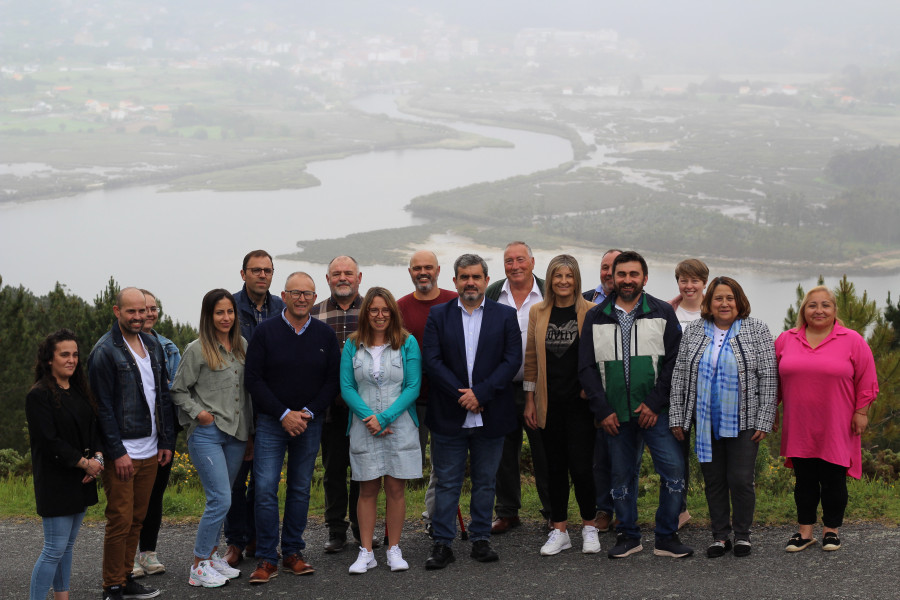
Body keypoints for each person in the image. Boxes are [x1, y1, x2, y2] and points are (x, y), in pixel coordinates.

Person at [578, 251, 693, 559]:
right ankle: (628, 536)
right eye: (622, 274)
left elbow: (674, 362)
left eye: (633, 274)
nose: (627, 280)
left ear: (645, 277)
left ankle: (666, 536)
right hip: (615, 413)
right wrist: (603, 411)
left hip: (655, 412)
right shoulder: (595, 315)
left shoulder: (662, 312)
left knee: (673, 473)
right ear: (612, 278)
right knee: (621, 477)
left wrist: (655, 404)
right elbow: (586, 368)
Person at [422, 254, 522, 569]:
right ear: (454, 281)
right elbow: (432, 360)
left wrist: (482, 393)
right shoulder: (438, 315)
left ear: (485, 280)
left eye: (476, 277)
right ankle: (442, 544)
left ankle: (480, 540)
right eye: (464, 277)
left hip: (491, 412)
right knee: (447, 482)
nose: (470, 282)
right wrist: (461, 395)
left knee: (485, 481)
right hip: (449, 413)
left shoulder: (504, 315)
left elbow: (512, 360)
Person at [670, 276, 777, 558]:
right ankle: (720, 537)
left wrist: (765, 419)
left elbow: (768, 376)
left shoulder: (757, 330)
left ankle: (742, 536)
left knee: (741, 480)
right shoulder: (694, 331)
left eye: (730, 298)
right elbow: (680, 375)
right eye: (718, 298)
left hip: (745, 421)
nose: (724, 303)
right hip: (704, 421)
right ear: (709, 302)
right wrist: (677, 416)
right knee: (714, 481)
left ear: (739, 301)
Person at [245, 271, 341, 584]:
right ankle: (266, 558)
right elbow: (254, 380)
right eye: (295, 293)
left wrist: (308, 413)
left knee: (300, 489)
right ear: (283, 297)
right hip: (272, 423)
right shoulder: (265, 331)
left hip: (309, 424)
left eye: (307, 294)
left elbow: (332, 381)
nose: (301, 299)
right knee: (264, 489)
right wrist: (284, 413)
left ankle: (293, 553)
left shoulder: (325, 335)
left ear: (315, 299)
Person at [776, 285, 878, 552]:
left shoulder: (852, 340)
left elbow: (867, 379)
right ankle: (804, 532)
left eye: (825, 305)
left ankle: (831, 531)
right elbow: (773, 381)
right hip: (799, 424)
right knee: (804, 481)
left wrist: (861, 411)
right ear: (804, 310)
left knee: (834, 480)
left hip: (837, 425)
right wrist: (770, 412)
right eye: (812, 305)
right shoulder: (787, 339)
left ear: (834, 310)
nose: (818, 310)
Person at [89, 287, 175, 600]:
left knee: (138, 518)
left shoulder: (152, 343)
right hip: (123, 452)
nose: (139, 317)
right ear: (117, 311)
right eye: (131, 312)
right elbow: (102, 407)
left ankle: (126, 579)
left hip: (152, 450)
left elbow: (162, 396)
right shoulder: (105, 350)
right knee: (120, 520)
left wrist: (165, 440)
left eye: (143, 311)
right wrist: (117, 452)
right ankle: (112, 586)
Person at [170, 289, 252, 587]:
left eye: (230, 312)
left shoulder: (242, 345)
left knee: (225, 499)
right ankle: (198, 565)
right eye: (220, 312)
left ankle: (213, 555)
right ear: (209, 315)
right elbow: (178, 390)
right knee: (220, 499)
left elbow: (246, 393)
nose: (226, 318)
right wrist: (199, 414)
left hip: (238, 434)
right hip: (207, 433)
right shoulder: (197, 348)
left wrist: (251, 433)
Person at [340, 287, 422, 574]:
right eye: (373, 310)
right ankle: (366, 552)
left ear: (393, 312)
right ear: (366, 313)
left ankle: (394, 549)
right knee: (367, 488)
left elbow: (413, 386)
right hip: (364, 427)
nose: (379, 315)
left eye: (385, 310)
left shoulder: (407, 343)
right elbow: (347, 387)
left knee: (396, 489)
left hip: (399, 424)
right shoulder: (353, 344)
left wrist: (384, 418)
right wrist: (370, 418)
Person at [522, 255, 599, 555]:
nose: (563, 281)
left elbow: (600, 356)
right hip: (548, 402)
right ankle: (560, 531)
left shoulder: (591, 312)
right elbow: (531, 359)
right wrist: (529, 399)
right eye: (557, 276)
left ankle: (590, 528)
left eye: (569, 276)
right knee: (554, 468)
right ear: (550, 279)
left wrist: (591, 388)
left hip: (580, 406)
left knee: (581, 468)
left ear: (576, 279)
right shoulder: (538, 312)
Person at [27, 329, 104, 600]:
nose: (71, 360)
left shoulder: (80, 391)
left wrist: (97, 460)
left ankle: (62, 597)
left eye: (75, 354)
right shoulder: (39, 395)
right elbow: (49, 441)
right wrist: (85, 464)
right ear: (49, 359)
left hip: (82, 478)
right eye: (64, 355)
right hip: (56, 481)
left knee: (67, 547)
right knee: (53, 549)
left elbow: (94, 430)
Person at [223, 250, 285, 568]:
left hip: (272, 407)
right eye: (256, 270)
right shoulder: (229, 307)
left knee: (264, 482)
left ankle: (258, 538)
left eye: (267, 270)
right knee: (236, 480)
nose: (262, 275)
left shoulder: (282, 308)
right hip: (237, 406)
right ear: (243, 273)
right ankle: (235, 541)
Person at [484, 241, 552, 533]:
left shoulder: (549, 290)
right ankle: (507, 511)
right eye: (509, 261)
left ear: (533, 262)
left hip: (540, 388)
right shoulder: (493, 293)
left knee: (545, 452)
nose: (515, 266)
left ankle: (553, 511)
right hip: (501, 386)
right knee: (503, 452)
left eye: (520, 260)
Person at [396, 250, 458, 534]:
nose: (423, 272)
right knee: (408, 462)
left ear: (438, 270)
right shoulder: (400, 307)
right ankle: (397, 522)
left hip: (447, 398)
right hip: (411, 400)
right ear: (410, 272)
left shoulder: (453, 301)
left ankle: (436, 517)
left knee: (443, 465)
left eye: (428, 267)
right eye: (417, 268)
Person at [310, 255, 365, 553]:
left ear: (359, 277)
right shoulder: (315, 313)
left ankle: (361, 528)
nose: (342, 278)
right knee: (333, 471)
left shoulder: (374, 310)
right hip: (329, 408)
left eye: (348, 273)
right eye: (336, 274)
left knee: (363, 470)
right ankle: (336, 530)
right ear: (328, 278)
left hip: (366, 408)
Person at [133, 289, 182, 579]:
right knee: (131, 498)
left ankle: (148, 552)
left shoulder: (168, 348)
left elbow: (173, 391)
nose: (149, 313)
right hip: (134, 434)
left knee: (155, 495)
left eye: (153, 308)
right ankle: (128, 555)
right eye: (143, 308)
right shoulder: (119, 345)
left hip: (163, 432)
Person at [582, 248, 627, 534]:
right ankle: (603, 509)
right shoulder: (585, 300)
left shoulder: (636, 301)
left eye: (616, 267)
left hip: (626, 393)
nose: (609, 273)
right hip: (594, 392)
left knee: (625, 457)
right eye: (604, 267)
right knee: (599, 458)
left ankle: (625, 510)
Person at [667, 258, 709, 530]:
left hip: (708, 394)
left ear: (705, 282)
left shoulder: (717, 310)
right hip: (676, 394)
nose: (689, 286)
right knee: (675, 456)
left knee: (713, 457)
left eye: (695, 280)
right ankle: (679, 510)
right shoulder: (667, 312)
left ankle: (719, 509)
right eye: (684, 280)